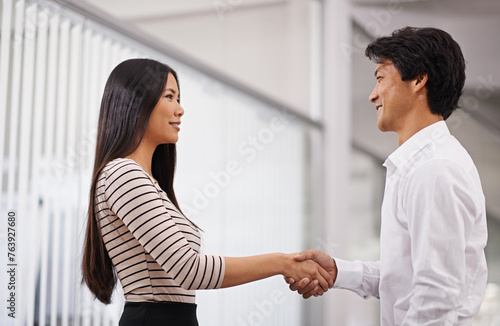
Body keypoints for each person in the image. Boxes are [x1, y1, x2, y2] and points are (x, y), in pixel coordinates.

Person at [81, 58, 334, 326]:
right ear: (137, 101)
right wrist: (282, 262)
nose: (180, 110)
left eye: (179, 98)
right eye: (170, 96)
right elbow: (189, 270)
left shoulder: (147, 181)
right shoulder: (124, 174)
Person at [287, 27, 488, 325]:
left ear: (419, 80)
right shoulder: (418, 165)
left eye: (381, 78)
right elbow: (407, 274)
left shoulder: (435, 169)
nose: (372, 95)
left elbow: (436, 297)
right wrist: (338, 272)